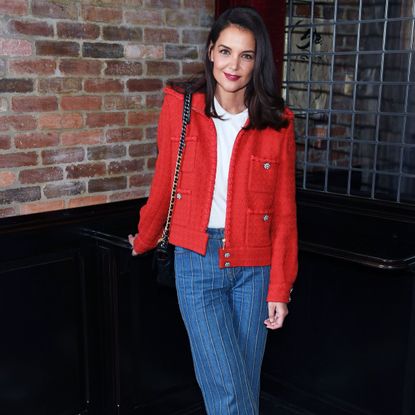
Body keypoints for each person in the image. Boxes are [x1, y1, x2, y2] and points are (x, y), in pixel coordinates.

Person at [128, 6, 297, 415]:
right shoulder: (182, 109)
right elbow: (164, 181)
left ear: (259, 62)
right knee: (226, 387)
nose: (233, 65)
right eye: (225, 51)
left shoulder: (278, 122)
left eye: (246, 55)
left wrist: (280, 287)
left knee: (244, 382)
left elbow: (285, 211)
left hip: (255, 269)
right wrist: (146, 237)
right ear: (210, 52)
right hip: (196, 259)